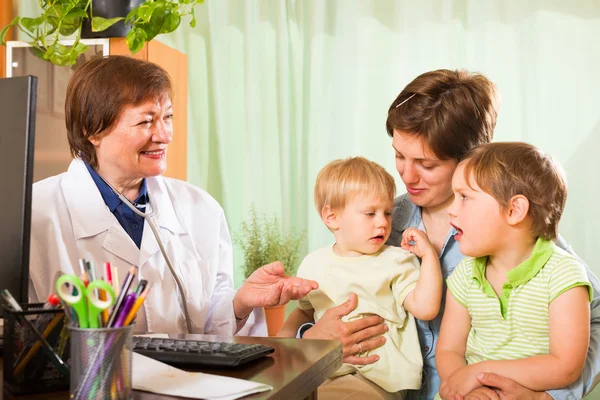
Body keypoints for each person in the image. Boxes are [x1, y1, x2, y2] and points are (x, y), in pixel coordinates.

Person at [284, 69, 600, 400]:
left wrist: (548, 398)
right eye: (399, 155)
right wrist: (311, 339)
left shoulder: (517, 236)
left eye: (427, 164)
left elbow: (595, 323)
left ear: (469, 159)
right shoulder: (379, 222)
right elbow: (316, 302)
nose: (407, 174)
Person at [28, 55, 318, 335]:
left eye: (167, 117)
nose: (164, 135)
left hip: (187, 381)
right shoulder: (35, 214)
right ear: (92, 129)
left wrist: (241, 303)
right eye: (146, 121)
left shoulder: (200, 208)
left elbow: (209, 324)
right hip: (89, 384)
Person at [435, 142, 592, 399]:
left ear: (514, 210)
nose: (451, 209)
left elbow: (566, 366)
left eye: (464, 197)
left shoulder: (563, 275)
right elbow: (449, 350)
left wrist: (479, 373)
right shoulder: (464, 275)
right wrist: (466, 387)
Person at [279, 156, 442, 399]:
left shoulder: (396, 260)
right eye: (370, 213)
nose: (383, 223)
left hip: (378, 380)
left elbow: (426, 308)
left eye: (387, 213)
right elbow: (304, 311)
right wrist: (281, 348)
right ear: (332, 217)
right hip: (323, 374)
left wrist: (429, 257)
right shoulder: (313, 263)